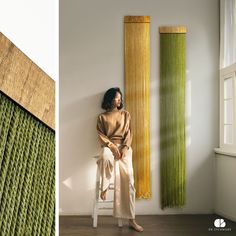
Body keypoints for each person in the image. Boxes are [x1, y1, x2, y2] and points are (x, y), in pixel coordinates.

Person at [96, 87, 144, 232]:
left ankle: (131, 220)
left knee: (128, 181)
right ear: (110, 99)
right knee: (104, 155)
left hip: (124, 148)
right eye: (117, 97)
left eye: (120, 98)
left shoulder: (125, 115)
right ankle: (104, 188)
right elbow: (101, 135)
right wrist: (111, 147)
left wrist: (124, 147)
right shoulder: (101, 117)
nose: (119, 100)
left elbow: (129, 134)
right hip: (109, 147)